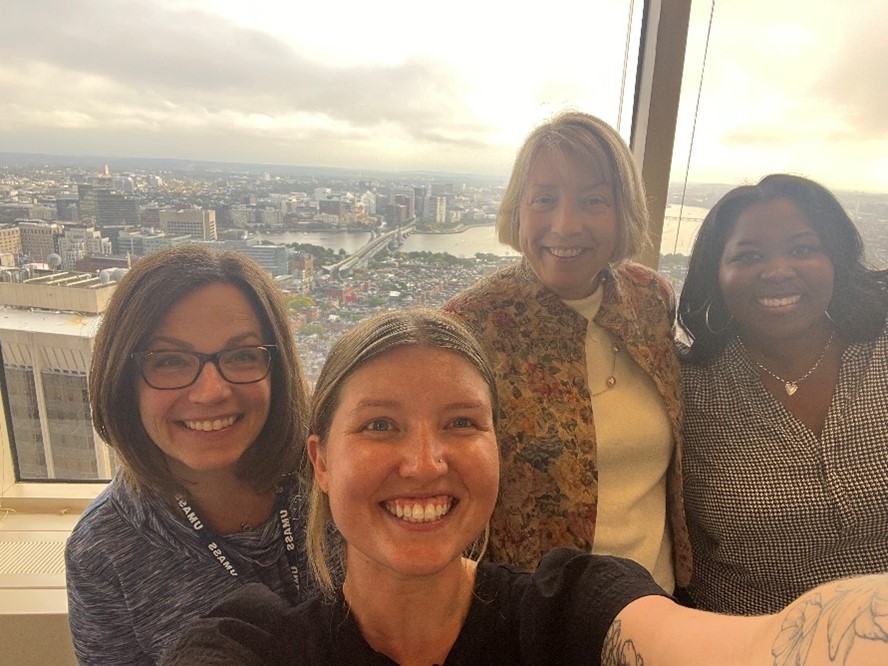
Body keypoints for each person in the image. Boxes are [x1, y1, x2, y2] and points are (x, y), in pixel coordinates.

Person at [160, 309, 888, 665]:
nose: (424, 462)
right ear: (320, 462)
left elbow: (764, 649)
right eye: (380, 426)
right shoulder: (253, 643)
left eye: (460, 423)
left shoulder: (568, 610)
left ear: (497, 450)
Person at [444, 110, 690, 593]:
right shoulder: (471, 326)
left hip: (659, 606)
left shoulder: (649, 300)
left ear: (624, 213)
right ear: (518, 211)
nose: (566, 224)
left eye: (594, 200)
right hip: (533, 623)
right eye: (544, 200)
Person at [65, 245, 316, 664]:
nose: (212, 391)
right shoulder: (104, 549)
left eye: (240, 356)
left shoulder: (339, 480)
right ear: (125, 381)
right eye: (170, 361)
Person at [677, 173, 888, 614]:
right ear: (717, 275)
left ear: (836, 259)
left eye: (801, 249)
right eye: (749, 256)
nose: (777, 271)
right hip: (752, 639)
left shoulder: (880, 350)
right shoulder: (686, 391)